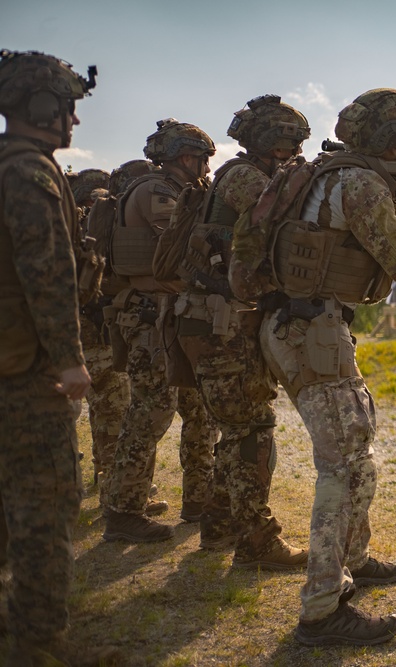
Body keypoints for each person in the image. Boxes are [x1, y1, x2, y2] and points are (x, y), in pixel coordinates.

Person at [230, 87, 396, 645]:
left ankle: (355, 559)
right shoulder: (358, 182)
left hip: (300, 323)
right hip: (311, 329)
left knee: (354, 453)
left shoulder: (328, 173)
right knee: (342, 465)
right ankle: (322, 608)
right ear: (387, 137)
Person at [0, 48, 124, 666]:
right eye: (68, 109)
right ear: (43, 106)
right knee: (47, 504)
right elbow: (45, 274)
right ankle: (39, 647)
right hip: (26, 373)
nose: (73, 122)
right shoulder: (30, 173)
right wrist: (71, 360)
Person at [174, 95, 310, 568]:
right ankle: (256, 543)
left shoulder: (248, 174)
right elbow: (291, 225)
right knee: (252, 430)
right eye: (284, 142)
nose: (289, 150)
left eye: (293, 143)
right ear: (264, 141)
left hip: (219, 319)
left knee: (238, 428)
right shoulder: (249, 179)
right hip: (220, 322)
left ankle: (219, 524)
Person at [102, 119, 218, 543]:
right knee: (150, 411)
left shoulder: (176, 190)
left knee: (199, 409)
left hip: (173, 313)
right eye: (203, 159)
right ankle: (123, 511)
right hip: (151, 315)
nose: (206, 167)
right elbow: (182, 247)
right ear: (186, 157)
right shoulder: (157, 191)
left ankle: (199, 499)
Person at [68, 168, 134, 509]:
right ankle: (110, 488)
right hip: (96, 335)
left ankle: (96, 478)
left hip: (76, 334)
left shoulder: (66, 227)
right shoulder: (95, 229)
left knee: (92, 410)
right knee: (112, 410)